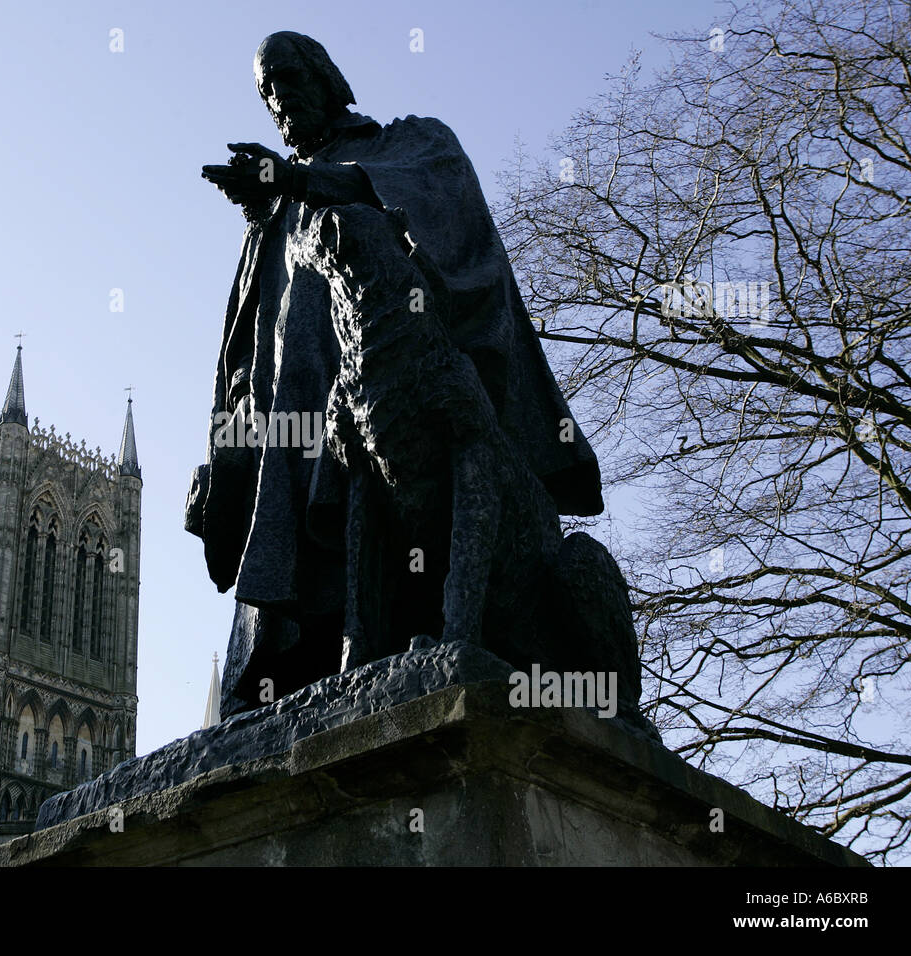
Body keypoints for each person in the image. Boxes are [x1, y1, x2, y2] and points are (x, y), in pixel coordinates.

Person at [189, 32, 603, 717]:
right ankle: (318, 656)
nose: (278, 103)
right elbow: (246, 348)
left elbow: (424, 204)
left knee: (390, 509)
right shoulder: (277, 205)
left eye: (287, 81)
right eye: (266, 94)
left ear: (327, 78)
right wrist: (224, 460)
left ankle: (410, 631)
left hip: (401, 409)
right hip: (297, 427)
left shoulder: (407, 144)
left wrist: (293, 181)